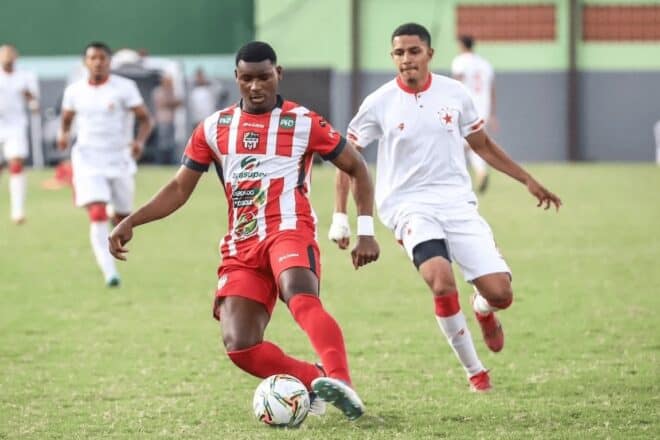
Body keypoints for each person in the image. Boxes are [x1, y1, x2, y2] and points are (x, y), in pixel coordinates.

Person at [108, 41, 379, 420]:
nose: (256, 86)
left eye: (264, 77)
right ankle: (314, 378)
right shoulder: (213, 128)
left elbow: (357, 167)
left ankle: (341, 380)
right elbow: (179, 188)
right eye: (247, 78)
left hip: (289, 230)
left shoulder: (303, 122)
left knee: (299, 296)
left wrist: (365, 230)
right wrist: (132, 220)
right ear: (236, 77)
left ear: (277, 74)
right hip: (242, 245)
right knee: (240, 345)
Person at [330, 23, 562, 392]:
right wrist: (341, 218)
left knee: (501, 294)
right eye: (399, 53)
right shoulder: (378, 102)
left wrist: (527, 180)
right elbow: (347, 159)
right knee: (440, 280)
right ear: (393, 57)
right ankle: (476, 372)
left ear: (430, 54)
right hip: (407, 207)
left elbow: (482, 145)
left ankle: (482, 308)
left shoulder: (455, 94)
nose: (407, 59)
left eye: (414, 51)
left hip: (457, 204)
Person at [57, 42, 153, 287]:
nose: (98, 62)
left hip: (119, 159)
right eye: (93, 58)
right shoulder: (74, 91)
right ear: (85, 62)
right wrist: (63, 134)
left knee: (123, 219)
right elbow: (66, 118)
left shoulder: (125, 88)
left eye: (102, 58)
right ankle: (110, 272)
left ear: (109, 62)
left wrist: (139, 142)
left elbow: (145, 120)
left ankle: (114, 214)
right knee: (97, 213)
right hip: (88, 159)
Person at [451, 35, 496, 194]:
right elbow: (492, 89)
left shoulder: (460, 61)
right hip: (484, 109)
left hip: (467, 108)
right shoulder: (485, 64)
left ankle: (453, 175)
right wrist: (493, 114)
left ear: (462, 45)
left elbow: (457, 81)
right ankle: (480, 172)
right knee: (473, 142)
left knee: (461, 142)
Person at [0, 44, 39, 224]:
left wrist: (29, 97)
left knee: (16, 164)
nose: (7, 57)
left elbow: (35, 104)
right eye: (4, 54)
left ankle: (18, 211)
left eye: (10, 54)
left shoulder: (25, 76)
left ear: (16, 57)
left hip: (15, 126)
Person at [151, 74, 181, 163]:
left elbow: (178, 102)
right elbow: (164, 103)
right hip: (162, 120)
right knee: (162, 143)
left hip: (171, 121)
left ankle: (169, 162)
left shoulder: (171, 91)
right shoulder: (158, 91)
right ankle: (160, 162)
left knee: (170, 143)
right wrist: (172, 102)